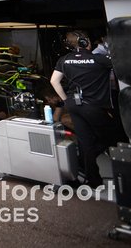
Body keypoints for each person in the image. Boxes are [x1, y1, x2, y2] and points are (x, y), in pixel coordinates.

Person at [50, 30, 115, 188]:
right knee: (113, 137)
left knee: (85, 142)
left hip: (74, 105)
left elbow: (54, 81)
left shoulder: (64, 60)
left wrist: (66, 100)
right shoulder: (100, 59)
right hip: (94, 106)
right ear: (85, 42)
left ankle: (93, 180)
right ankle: (82, 162)